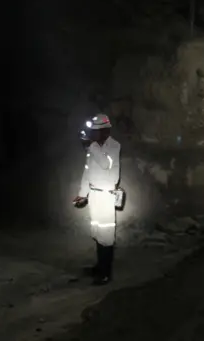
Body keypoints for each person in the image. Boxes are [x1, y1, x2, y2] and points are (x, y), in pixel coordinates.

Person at [73, 113, 121, 285]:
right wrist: (82, 193)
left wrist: (91, 146)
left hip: (106, 196)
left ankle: (106, 273)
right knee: (98, 232)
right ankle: (99, 266)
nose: (94, 134)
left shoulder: (114, 146)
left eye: (97, 131)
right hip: (94, 195)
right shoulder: (93, 147)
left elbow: (105, 163)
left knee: (106, 234)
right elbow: (88, 172)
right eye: (92, 131)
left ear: (106, 131)